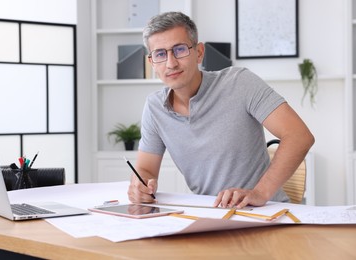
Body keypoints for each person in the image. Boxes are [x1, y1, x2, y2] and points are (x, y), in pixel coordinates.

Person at [128, 11, 315, 209]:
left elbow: (299, 136)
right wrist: (140, 186)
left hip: (265, 213)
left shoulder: (239, 82)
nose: (171, 63)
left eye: (180, 49)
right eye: (160, 54)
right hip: (210, 217)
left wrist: (261, 193)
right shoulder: (155, 108)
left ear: (199, 52)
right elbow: (146, 170)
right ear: (152, 62)